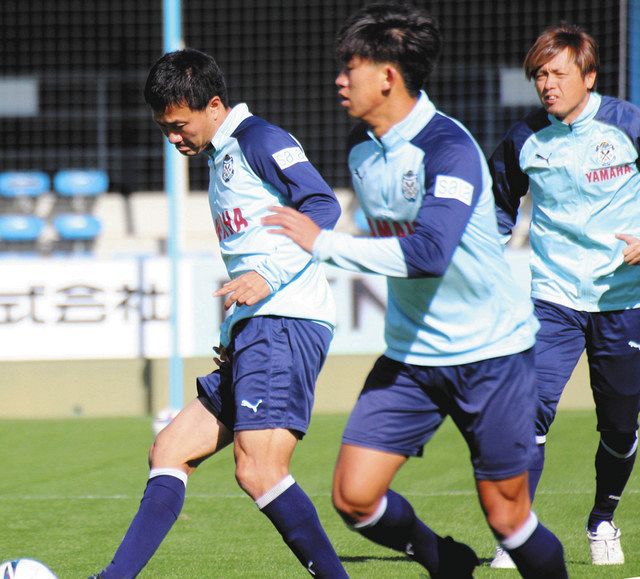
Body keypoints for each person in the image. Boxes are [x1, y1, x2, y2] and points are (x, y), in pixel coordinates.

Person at [263, 3, 568, 578]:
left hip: (491, 355)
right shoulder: (360, 145)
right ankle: (445, 561)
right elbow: (385, 239)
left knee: (508, 519)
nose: (339, 79)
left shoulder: (449, 148)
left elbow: (429, 253)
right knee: (354, 498)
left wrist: (322, 243)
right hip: (411, 357)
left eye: (350, 68)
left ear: (387, 76)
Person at [89, 48, 348, 578]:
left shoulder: (259, 139)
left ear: (212, 105)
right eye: (164, 128)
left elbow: (323, 204)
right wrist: (237, 332)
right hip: (259, 328)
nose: (173, 138)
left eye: (178, 125)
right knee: (170, 449)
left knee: (259, 469)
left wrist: (267, 279)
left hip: (287, 320)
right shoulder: (221, 156)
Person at [488, 23, 640, 568]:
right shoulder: (523, 138)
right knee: (526, 409)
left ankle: (602, 520)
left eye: (557, 73)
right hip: (552, 299)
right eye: (539, 75)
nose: (546, 84)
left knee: (620, 427)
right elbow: (498, 209)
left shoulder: (628, 124)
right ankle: (518, 535)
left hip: (624, 302)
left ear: (588, 76)